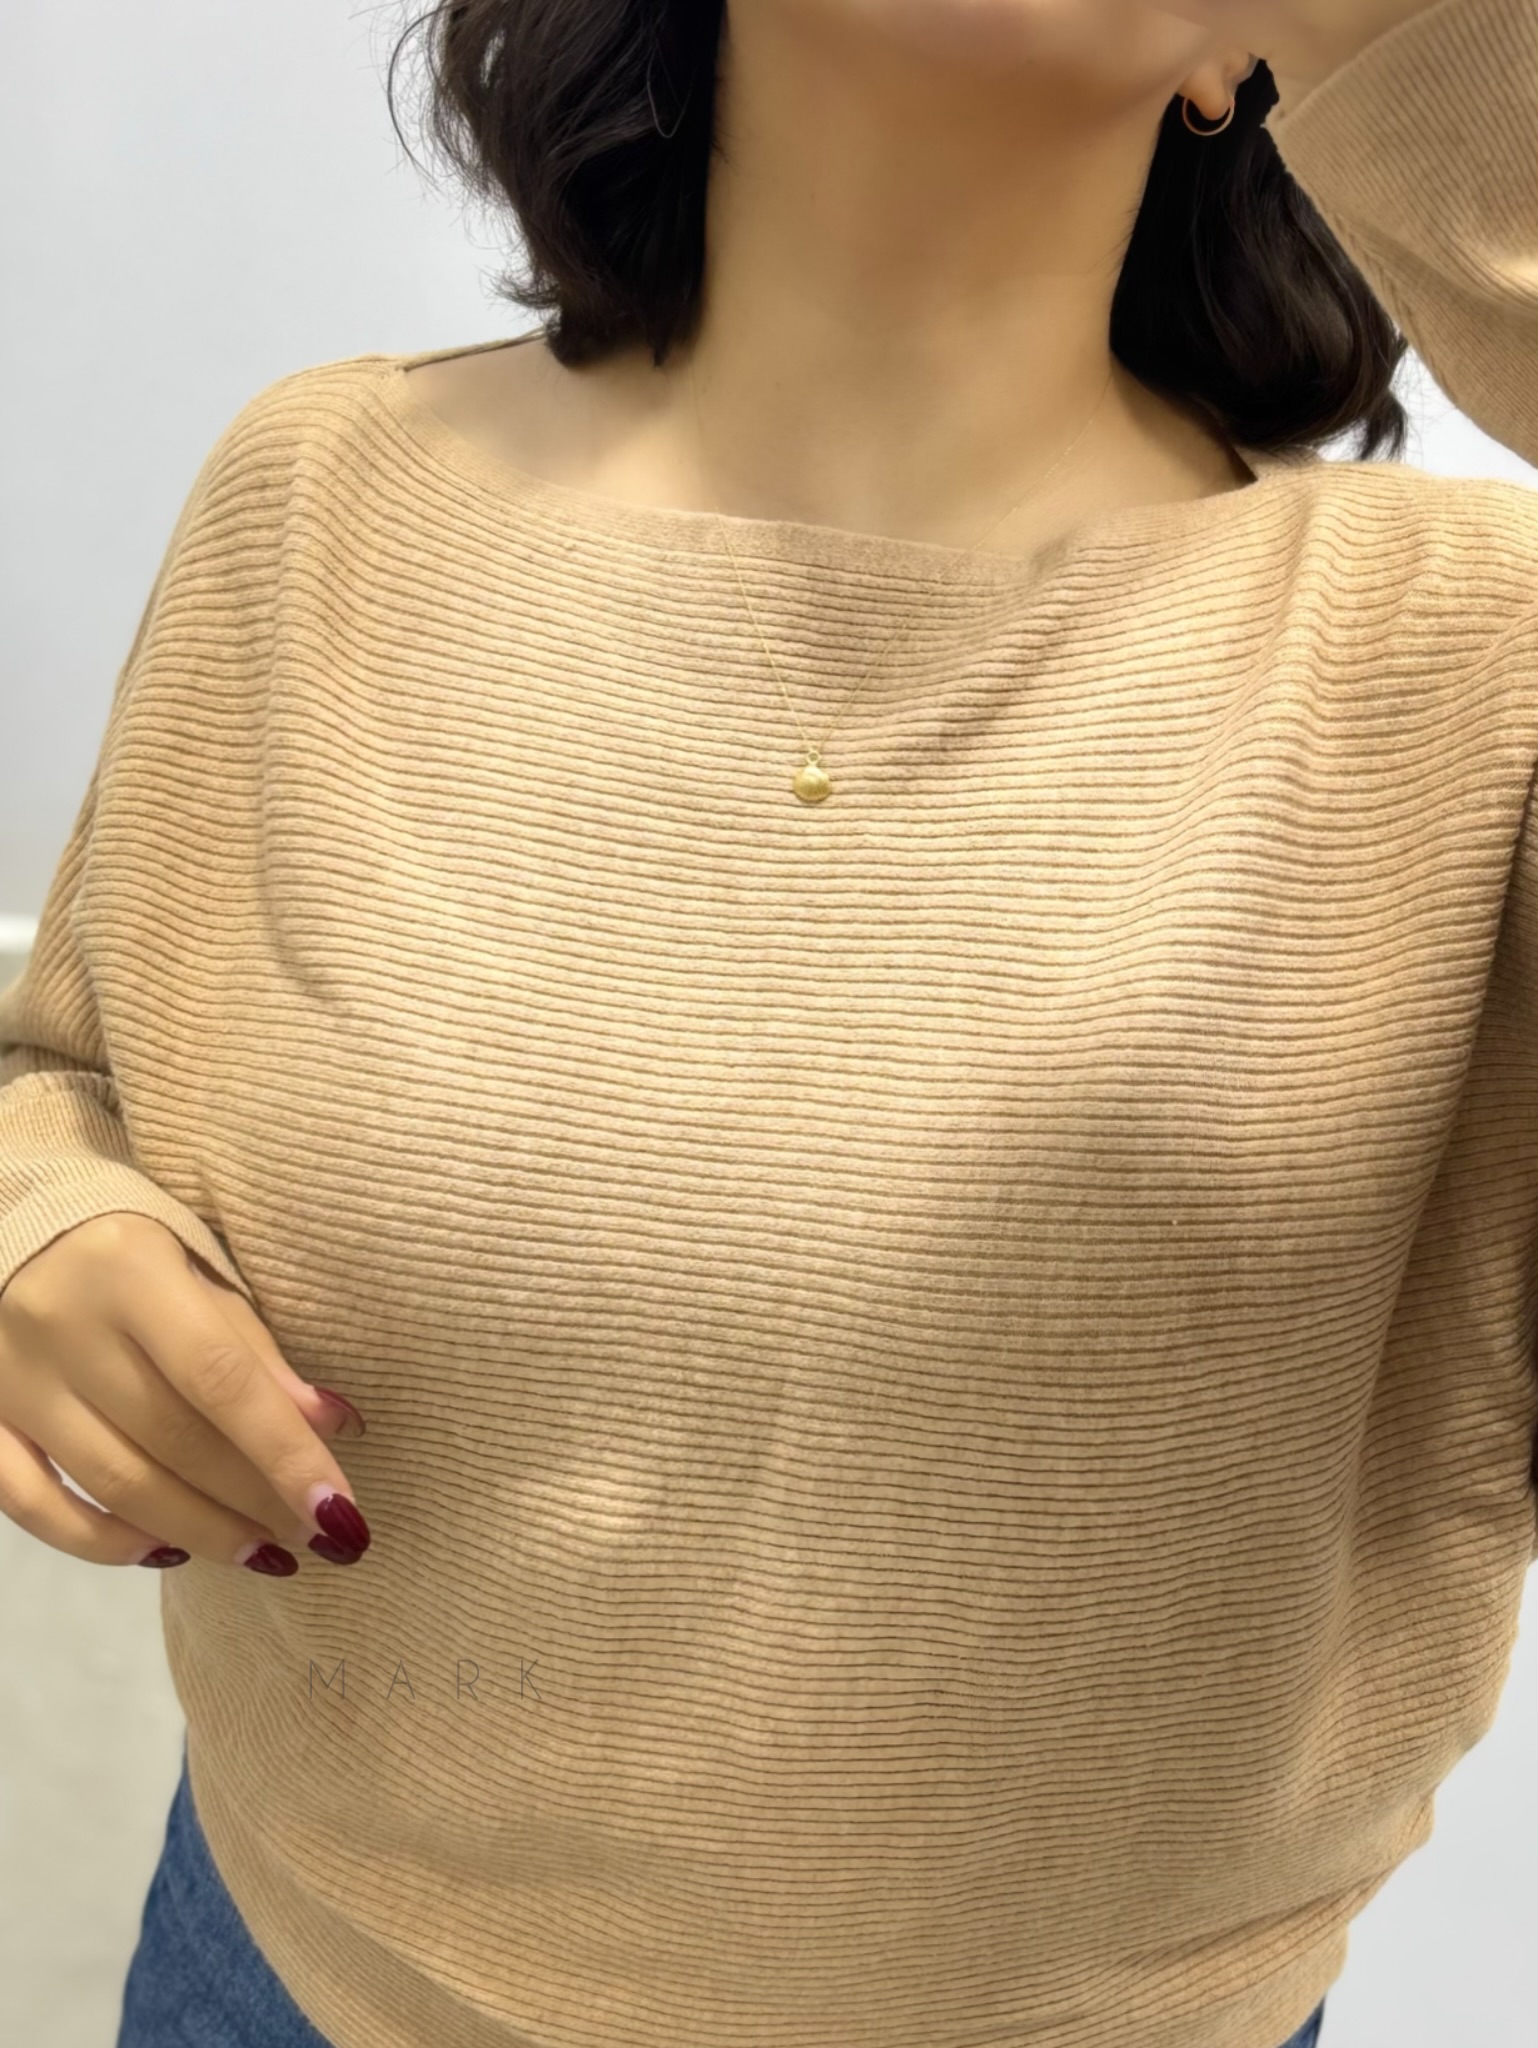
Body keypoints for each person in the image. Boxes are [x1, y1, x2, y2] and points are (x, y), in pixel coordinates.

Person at [1, 2, 1534, 2045]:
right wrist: (42, 1227)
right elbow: (60, 1074)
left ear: (1231, 55)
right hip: (282, 1977)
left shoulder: (1463, 651)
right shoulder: (322, 491)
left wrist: (1431, 58)